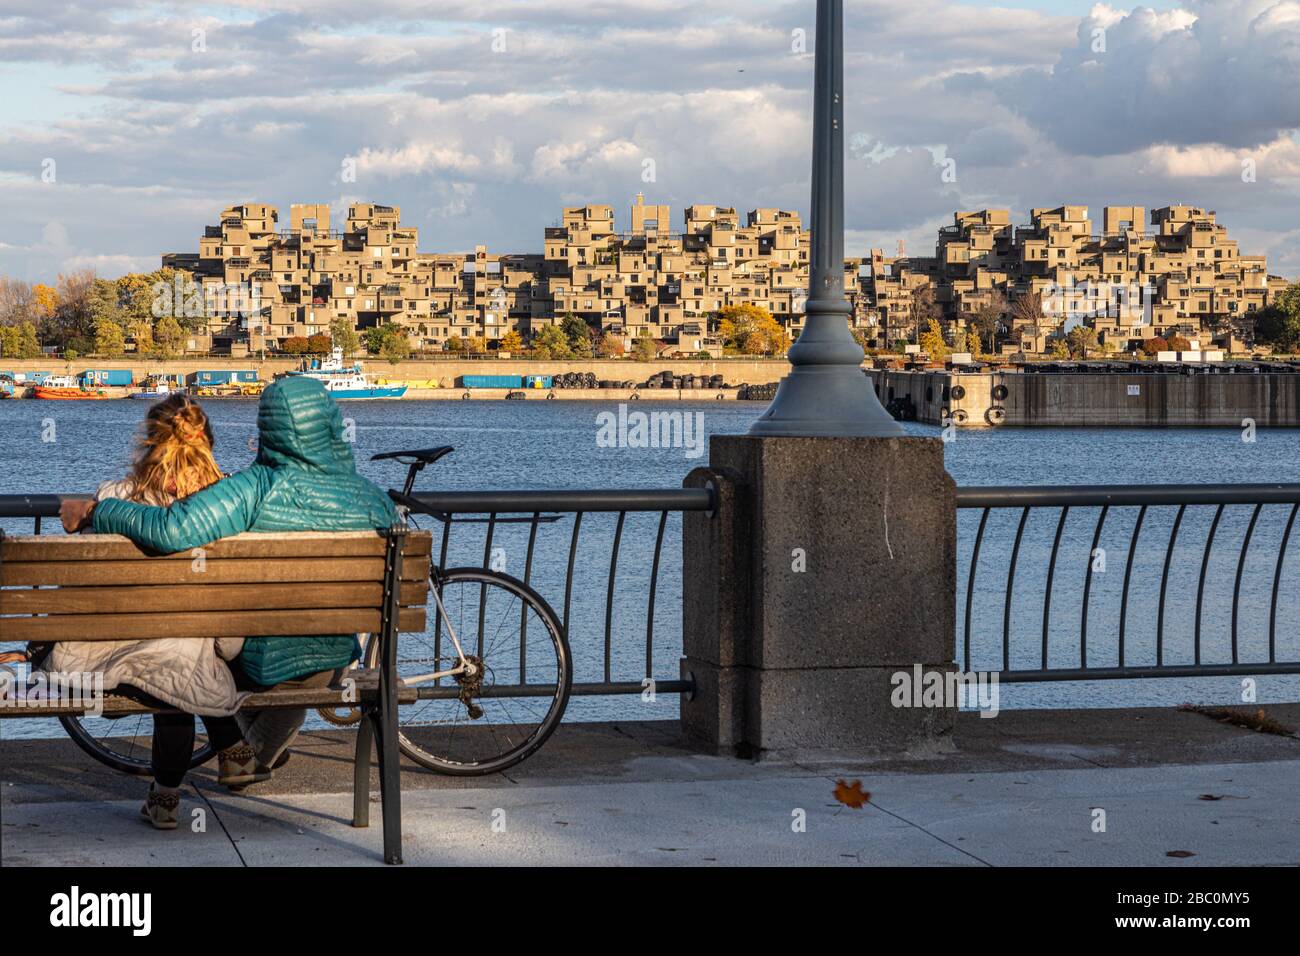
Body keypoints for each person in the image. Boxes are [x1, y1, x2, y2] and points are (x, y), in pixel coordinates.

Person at [61, 375, 399, 793]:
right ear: (331, 426)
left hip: (262, 660)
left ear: (269, 430)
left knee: (197, 652)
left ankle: (205, 774)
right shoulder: (372, 498)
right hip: (333, 659)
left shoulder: (254, 488)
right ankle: (243, 758)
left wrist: (99, 511)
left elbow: (171, 529)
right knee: (246, 661)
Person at [50, 394, 262, 829]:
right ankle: (232, 749)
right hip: (213, 634)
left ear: (148, 442)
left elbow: (84, 587)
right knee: (187, 649)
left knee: (173, 654)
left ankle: (167, 800)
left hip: (133, 636)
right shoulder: (231, 502)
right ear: (207, 441)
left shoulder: (114, 498)